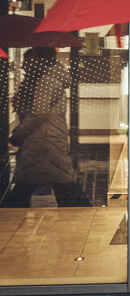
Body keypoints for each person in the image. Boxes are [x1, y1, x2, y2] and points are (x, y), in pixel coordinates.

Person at [4, 47, 90, 208]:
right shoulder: (41, 81)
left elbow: (38, 114)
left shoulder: (47, 82)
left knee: (31, 184)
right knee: (57, 183)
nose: (23, 66)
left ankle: (7, 216)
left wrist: (19, 133)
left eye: (28, 62)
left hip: (44, 143)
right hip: (44, 142)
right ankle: (82, 211)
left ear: (39, 61)